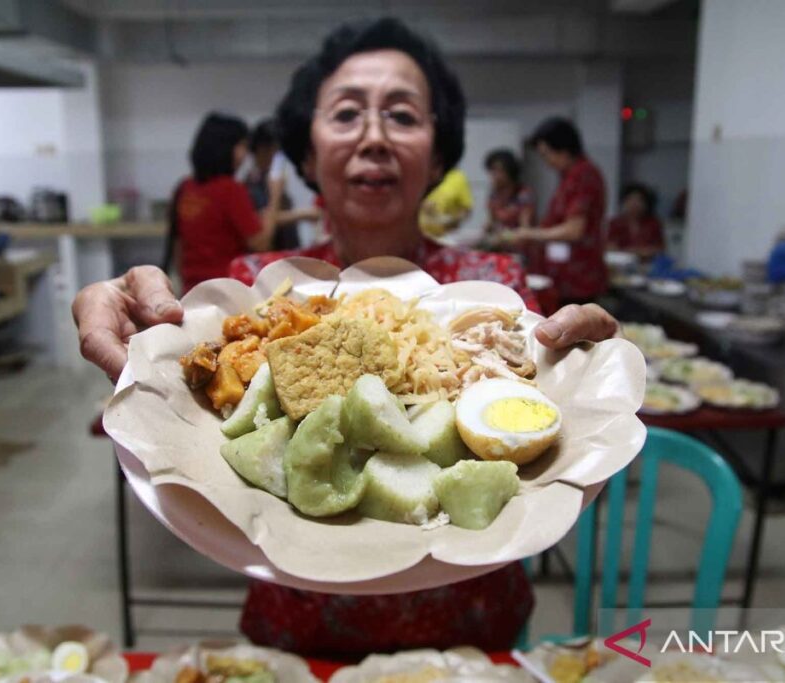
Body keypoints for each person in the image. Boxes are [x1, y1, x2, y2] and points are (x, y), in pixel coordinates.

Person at [73, 17, 619, 657]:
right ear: (306, 152)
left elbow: (549, 425)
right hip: (295, 618)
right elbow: (192, 421)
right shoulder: (256, 288)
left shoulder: (492, 284)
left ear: (440, 153)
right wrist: (146, 343)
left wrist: (594, 375)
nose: (374, 137)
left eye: (403, 116)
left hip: (472, 621)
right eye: (346, 114)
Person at [162, 113, 276, 294]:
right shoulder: (230, 190)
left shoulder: (185, 188)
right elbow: (260, 244)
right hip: (228, 291)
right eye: (242, 146)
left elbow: (178, 248)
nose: (245, 154)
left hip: (192, 292)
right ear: (226, 147)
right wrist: (274, 195)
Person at [499, 118, 608, 305]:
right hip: (564, 273)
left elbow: (574, 230)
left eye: (546, 154)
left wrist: (529, 234)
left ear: (564, 150)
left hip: (578, 275)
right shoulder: (570, 176)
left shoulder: (583, 175)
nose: (546, 162)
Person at [244, 119, 322, 251]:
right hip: (269, 260)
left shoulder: (271, 180)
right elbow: (261, 223)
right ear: (263, 149)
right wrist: (303, 214)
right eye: (276, 150)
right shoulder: (251, 186)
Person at [606, 183, 664, 259]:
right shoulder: (615, 223)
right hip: (621, 264)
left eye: (639, 200)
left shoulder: (653, 224)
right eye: (630, 199)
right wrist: (636, 252)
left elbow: (659, 249)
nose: (634, 204)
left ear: (646, 204)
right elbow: (610, 247)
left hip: (647, 264)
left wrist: (637, 252)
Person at [483, 148, 534, 234]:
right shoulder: (494, 194)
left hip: (520, 244)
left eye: (499, 171)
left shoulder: (523, 194)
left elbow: (525, 229)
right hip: (500, 242)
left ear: (510, 172)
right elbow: (491, 221)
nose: (494, 176)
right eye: (492, 171)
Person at [418, 167, 472, 238]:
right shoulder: (417, 173)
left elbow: (466, 210)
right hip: (416, 236)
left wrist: (452, 220)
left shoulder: (457, 177)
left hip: (444, 236)